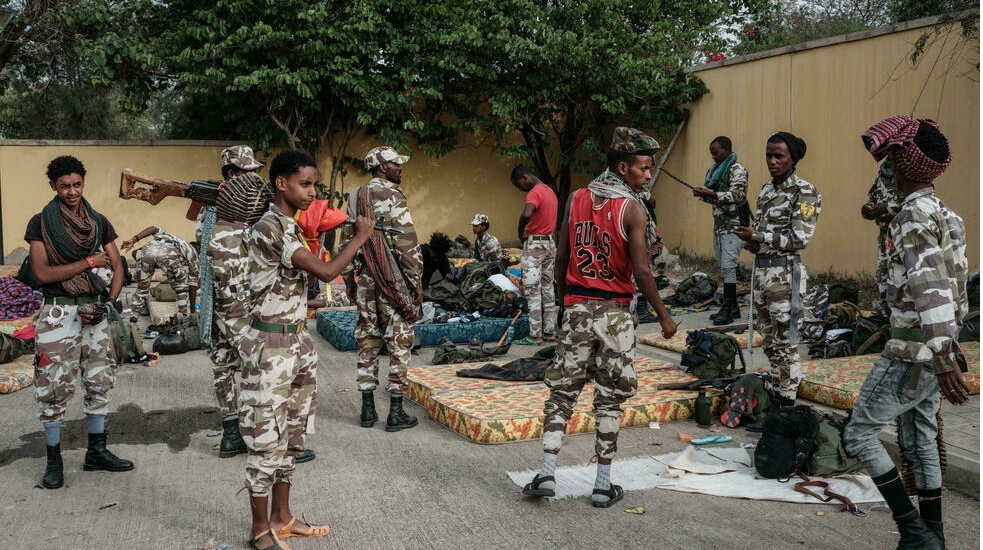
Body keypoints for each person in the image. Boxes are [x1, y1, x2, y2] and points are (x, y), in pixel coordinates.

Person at [522, 127, 677, 507]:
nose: (648, 174)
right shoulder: (633, 209)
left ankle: (545, 474)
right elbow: (642, 271)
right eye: (643, 168)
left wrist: (563, 306)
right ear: (622, 168)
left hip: (576, 308)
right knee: (610, 400)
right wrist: (664, 316)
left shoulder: (576, 198)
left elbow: (562, 260)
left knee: (561, 394)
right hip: (615, 315)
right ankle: (603, 484)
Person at [843, 116, 968, 550]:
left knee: (858, 433)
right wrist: (947, 349)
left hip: (914, 349)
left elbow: (930, 287)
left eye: (891, 155)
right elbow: (957, 291)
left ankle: (914, 532)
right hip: (936, 347)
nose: (888, 163)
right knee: (919, 437)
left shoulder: (911, 217)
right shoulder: (944, 213)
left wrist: (941, 357)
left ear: (899, 161)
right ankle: (934, 536)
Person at [239, 149, 374, 550]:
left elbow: (284, 284)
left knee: (292, 436)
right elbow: (328, 271)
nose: (312, 192)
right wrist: (360, 237)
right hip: (270, 347)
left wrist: (309, 305)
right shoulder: (271, 226)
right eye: (306, 184)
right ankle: (260, 531)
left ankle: (283, 518)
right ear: (281, 183)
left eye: (314, 184)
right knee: (266, 440)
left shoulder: (290, 225)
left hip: (295, 339)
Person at [27, 155, 132, 490]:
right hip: (58, 314)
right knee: (53, 386)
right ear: (53, 187)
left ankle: (96, 452)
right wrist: (88, 261)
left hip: (94, 312)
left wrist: (109, 305)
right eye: (64, 186)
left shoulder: (98, 222)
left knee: (100, 380)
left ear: (83, 182)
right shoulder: (40, 224)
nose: (72, 192)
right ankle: (54, 460)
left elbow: (118, 267)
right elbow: (42, 273)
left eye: (76, 185)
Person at [340, 145, 423, 432]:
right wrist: (415, 285)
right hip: (393, 280)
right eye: (395, 164)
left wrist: (351, 283)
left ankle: (367, 411)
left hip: (364, 281)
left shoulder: (354, 196)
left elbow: (345, 244)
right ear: (381, 167)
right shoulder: (393, 195)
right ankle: (396, 412)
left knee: (367, 340)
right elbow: (407, 246)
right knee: (399, 341)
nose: (400, 167)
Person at [733, 132, 820, 405]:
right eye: (769, 155)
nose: (772, 161)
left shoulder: (804, 192)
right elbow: (763, 236)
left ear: (793, 158)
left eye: (779, 156)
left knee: (786, 345)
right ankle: (778, 395)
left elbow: (799, 239)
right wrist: (750, 241)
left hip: (786, 276)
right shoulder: (766, 190)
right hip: (762, 274)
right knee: (769, 342)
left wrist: (758, 236)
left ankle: (786, 405)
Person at [692, 136, 749, 326]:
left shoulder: (737, 170)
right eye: (712, 154)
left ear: (726, 150)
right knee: (724, 267)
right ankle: (732, 306)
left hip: (734, 225)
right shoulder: (717, 171)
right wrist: (705, 195)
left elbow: (737, 194)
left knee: (728, 266)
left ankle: (728, 308)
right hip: (719, 226)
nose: (714, 157)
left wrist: (712, 194)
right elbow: (717, 197)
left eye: (716, 152)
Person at [509, 165, 558, 346]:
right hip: (550, 243)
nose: (520, 189)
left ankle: (535, 335)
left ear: (524, 178)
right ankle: (550, 332)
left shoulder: (535, 192)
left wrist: (520, 230)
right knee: (548, 288)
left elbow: (527, 213)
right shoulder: (550, 191)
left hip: (535, 244)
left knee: (532, 290)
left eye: (518, 185)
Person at [120, 225, 199, 318]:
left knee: (142, 289)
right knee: (180, 286)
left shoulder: (170, 237)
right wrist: (193, 311)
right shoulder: (193, 253)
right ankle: (183, 317)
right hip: (167, 254)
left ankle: (134, 318)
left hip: (148, 250)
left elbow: (153, 228)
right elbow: (192, 285)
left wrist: (134, 239)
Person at [861, 157, 900, 318]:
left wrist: (886, 208)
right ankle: (886, 318)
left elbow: (914, 204)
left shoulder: (909, 173)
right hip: (884, 237)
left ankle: (900, 319)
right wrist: (868, 209)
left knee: (898, 279)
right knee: (882, 277)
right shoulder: (882, 173)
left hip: (901, 236)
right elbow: (873, 198)